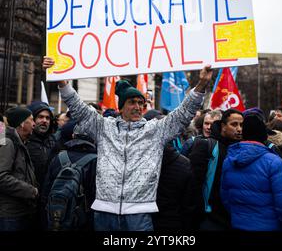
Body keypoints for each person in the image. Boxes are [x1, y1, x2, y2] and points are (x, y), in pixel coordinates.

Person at [43, 56, 213, 231]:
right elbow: (78, 107)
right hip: (103, 213)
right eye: (132, 102)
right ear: (121, 107)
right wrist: (61, 80)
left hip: (139, 216)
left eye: (141, 103)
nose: (138, 106)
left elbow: (183, 114)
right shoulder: (104, 128)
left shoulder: (154, 130)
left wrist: (201, 85)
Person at [221, 114, 282, 231]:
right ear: (263, 135)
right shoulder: (274, 162)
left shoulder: (229, 160)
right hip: (269, 226)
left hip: (238, 224)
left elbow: (225, 197)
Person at [189, 108, 244, 230]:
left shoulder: (244, 148)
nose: (239, 129)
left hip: (235, 217)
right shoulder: (206, 145)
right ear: (223, 126)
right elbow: (193, 183)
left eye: (241, 125)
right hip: (210, 217)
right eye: (234, 124)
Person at [0, 107, 39, 231]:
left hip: (20, 211)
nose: (34, 124)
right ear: (22, 123)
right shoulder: (8, 142)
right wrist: (31, 190)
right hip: (10, 214)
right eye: (31, 120)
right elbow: (2, 177)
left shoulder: (20, 142)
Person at [26, 101, 57, 190]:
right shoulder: (23, 140)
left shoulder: (53, 141)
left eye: (47, 118)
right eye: (40, 117)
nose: (44, 121)